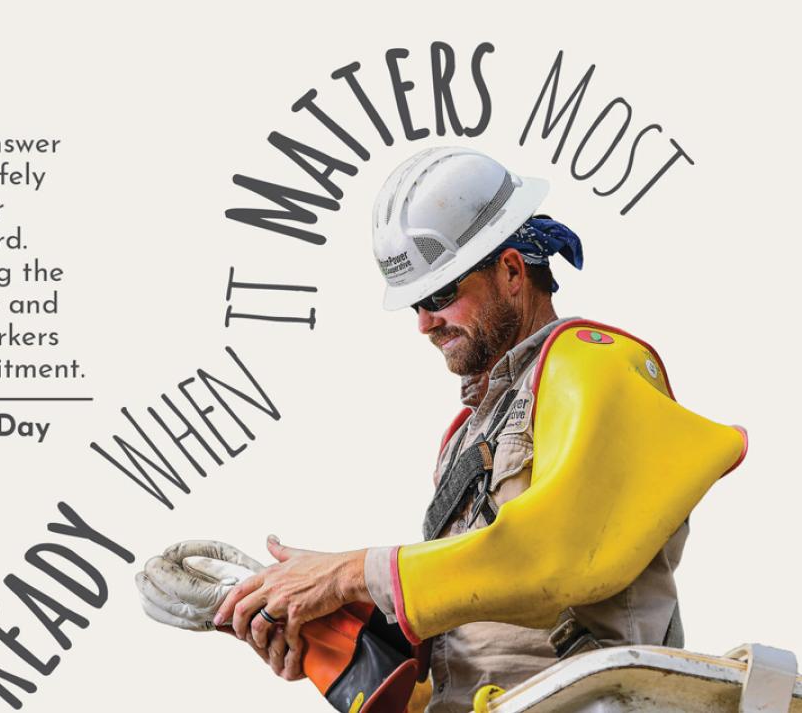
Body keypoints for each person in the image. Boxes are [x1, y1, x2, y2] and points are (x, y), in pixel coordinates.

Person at [150, 147, 746, 712]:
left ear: (512, 271)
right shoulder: (466, 437)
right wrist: (330, 635)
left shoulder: (591, 364)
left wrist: (349, 574)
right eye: (415, 304)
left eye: (440, 293)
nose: (426, 323)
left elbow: (561, 555)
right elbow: (468, 659)